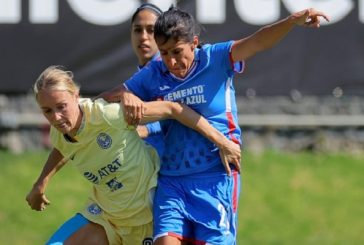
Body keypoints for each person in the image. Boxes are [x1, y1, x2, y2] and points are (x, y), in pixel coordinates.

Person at [102, 6, 330, 245]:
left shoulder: (216, 58)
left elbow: (259, 41)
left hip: (216, 175)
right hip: (173, 180)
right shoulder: (154, 72)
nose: (171, 60)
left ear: (194, 43)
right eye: (165, 52)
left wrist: (291, 21)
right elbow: (107, 98)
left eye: (178, 51)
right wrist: (125, 95)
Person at [26, 65, 240, 245]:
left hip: (147, 217)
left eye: (61, 106)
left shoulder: (109, 115)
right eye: (47, 111)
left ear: (76, 96)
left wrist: (222, 141)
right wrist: (40, 184)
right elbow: (63, 147)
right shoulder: (58, 131)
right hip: (105, 216)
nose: (56, 117)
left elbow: (172, 109)